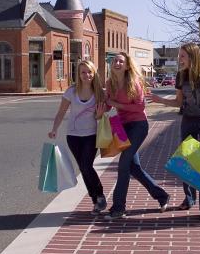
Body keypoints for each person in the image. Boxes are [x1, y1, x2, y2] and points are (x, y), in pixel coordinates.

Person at [150, 43, 200, 220]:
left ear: (192, 56)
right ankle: (189, 198)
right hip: (188, 120)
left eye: (182, 56)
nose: (179, 59)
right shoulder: (181, 75)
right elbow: (178, 102)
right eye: (179, 56)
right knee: (185, 161)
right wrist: (159, 100)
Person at [104, 52, 170, 219]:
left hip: (138, 125)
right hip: (120, 126)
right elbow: (106, 106)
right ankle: (162, 196)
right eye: (115, 61)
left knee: (124, 164)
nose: (117, 63)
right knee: (133, 167)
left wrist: (115, 104)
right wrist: (101, 106)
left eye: (120, 61)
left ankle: (119, 207)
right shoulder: (109, 84)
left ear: (127, 66)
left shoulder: (134, 83)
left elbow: (140, 108)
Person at [48, 60, 107, 214]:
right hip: (73, 136)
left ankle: (99, 196)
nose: (86, 75)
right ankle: (96, 200)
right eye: (83, 72)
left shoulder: (100, 92)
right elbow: (61, 112)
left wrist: (100, 115)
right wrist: (54, 129)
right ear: (78, 74)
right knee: (83, 168)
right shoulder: (71, 91)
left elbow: (101, 116)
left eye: (89, 72)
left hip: (91, 135)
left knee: (86, 166)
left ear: (93, 73)